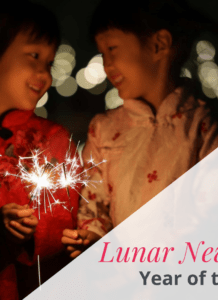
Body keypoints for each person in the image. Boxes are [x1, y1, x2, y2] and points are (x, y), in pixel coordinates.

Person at [62, 0, 218, 258]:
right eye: (102, 52)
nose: (106, 64)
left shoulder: (201, 126)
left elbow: (214, 209)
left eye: (112, 48)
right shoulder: (104, 129)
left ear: (159, 45)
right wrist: (90, 237)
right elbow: (94, 200)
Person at [0, 2, 80, 299]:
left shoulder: (51, 139)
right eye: (34, 55)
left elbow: (64, 218)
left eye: (49, 63)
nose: (44, 74)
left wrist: (25, 229)